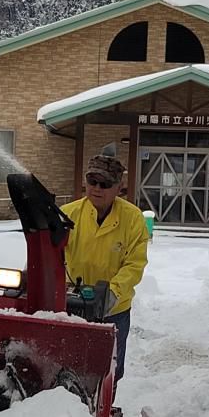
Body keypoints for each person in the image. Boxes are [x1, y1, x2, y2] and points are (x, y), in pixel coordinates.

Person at [61, 154, 149, 383]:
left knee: (109, 370)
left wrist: (112, 292)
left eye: (105, 184)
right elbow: (51, 253)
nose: (97, 188)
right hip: (72, 305)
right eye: (92, 181)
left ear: (119, 187)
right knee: (67, 364)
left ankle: (105, 412)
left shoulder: (133, 219)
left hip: (113, 309)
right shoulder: (68, 214)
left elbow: (135, 263)